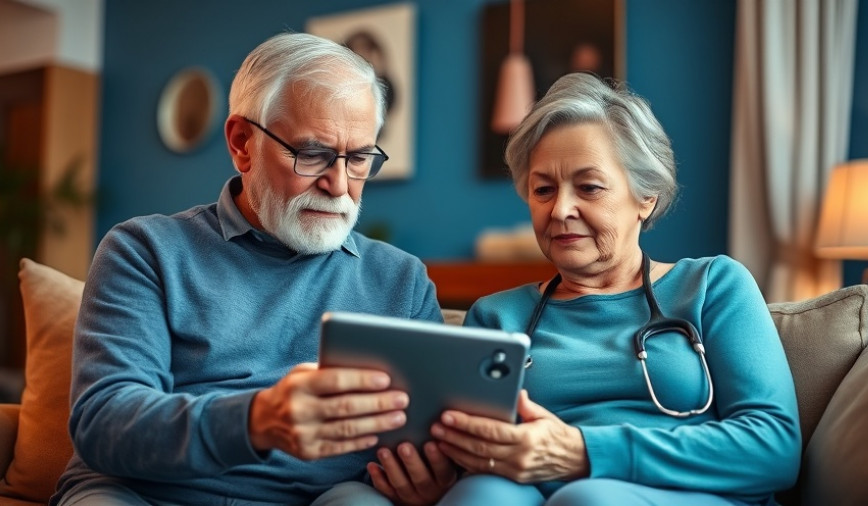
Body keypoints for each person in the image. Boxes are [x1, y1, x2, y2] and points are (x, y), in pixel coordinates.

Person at [369, 73, 801, 505]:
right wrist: (439, 477)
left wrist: (582, 452)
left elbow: (773, 447)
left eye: (589, 187)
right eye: (543, 190)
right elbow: (470, 447)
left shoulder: (712, 286)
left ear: (645, 195)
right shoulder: (497, 317)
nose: (559, 209)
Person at [51, 32, 443, 505]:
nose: (339, 184)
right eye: (312, 153)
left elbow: (425, 438)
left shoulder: (402, 282)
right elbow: (103, 421)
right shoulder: (144, 249)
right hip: (143, 493)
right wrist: (256, 420)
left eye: (359, 158)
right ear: (242, 144)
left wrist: (432, 473)